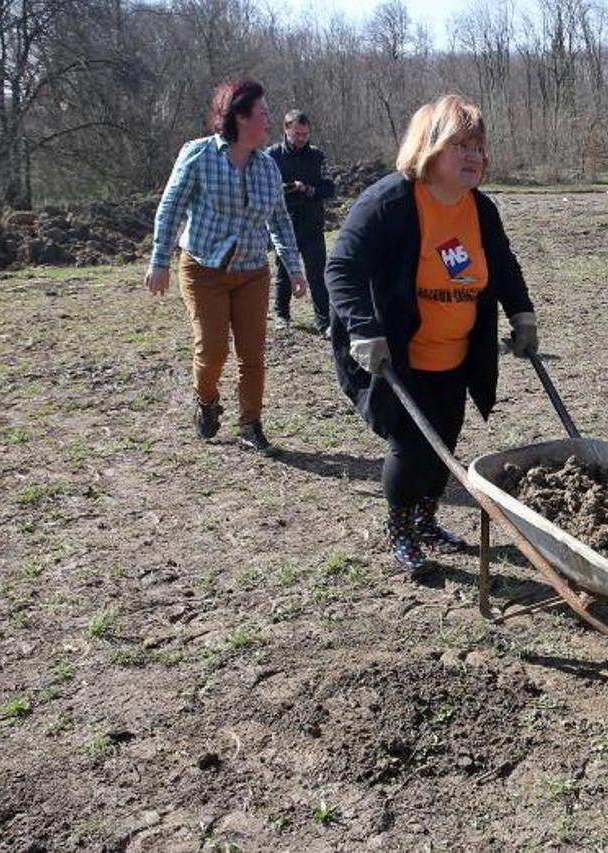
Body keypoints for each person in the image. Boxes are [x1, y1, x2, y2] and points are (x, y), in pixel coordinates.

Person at [326, 94, 537, 576]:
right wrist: (363, 329)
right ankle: (400, 531)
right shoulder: (390, 202)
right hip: (399, 351)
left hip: (457, 354)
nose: (474, 156)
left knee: (446, 438)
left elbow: (502, 266)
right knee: (413, 445)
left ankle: (426, 520)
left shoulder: (479, 210)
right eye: (460, 144)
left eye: (479, 146)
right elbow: (342, 268)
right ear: (429, 146)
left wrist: (522, 315)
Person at [146, 78, 307, 456]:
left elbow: (280, 221)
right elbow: (171, 208)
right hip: (204, 270)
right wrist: (160, 261)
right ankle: (206, 399)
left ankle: (251, 423)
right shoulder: (199, 155)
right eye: (263, 113)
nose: (268, 120)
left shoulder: (268, 167)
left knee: (253, 354)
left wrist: (295, 268)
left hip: (253, 272)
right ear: (238, 116)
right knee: (213, 350)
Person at [268, 110, 335, 335]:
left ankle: (324, 322)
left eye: (305, 134)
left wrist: (308, 189)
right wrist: (286, 189)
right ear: (286, 129)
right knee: (284, 270)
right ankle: (281, 315)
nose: (301, 138)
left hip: (312, 223)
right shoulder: (272, 156)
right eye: (297, 133)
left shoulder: (318, 157)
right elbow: (263, 187)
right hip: (284, 221)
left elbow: (329, 188)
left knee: (317, 273)